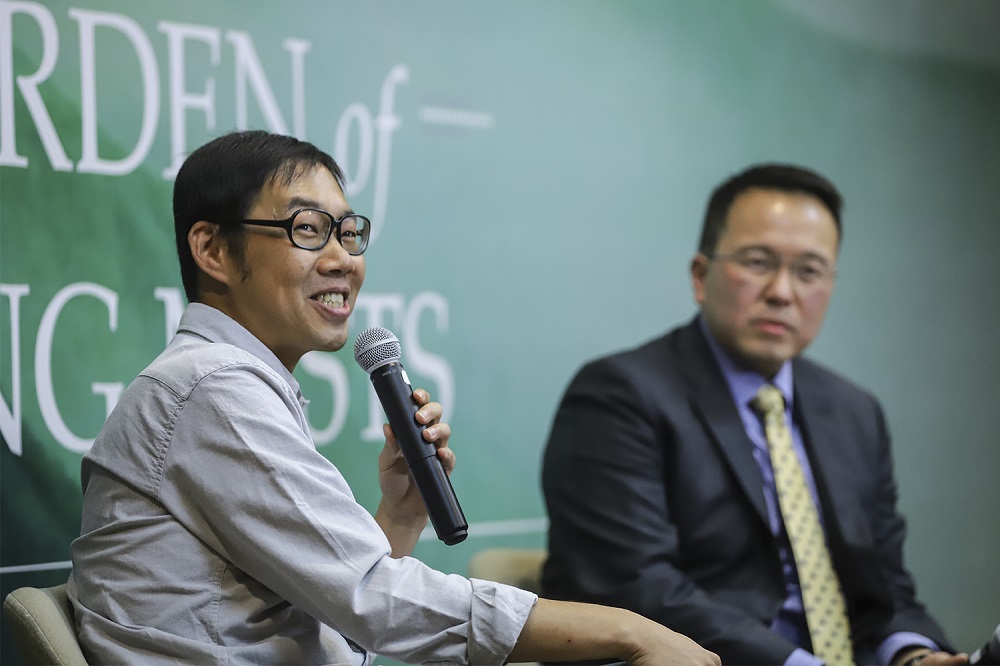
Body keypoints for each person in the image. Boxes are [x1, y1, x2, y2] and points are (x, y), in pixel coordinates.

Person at [66, 130, 718, 666]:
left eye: (349, 233)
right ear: (211, 247)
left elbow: (332, 620)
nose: (343, 259)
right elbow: (374, 602)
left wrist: (400, 515)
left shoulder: (228, 384)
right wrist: (632, 633)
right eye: (307, 230)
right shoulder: (211, 389)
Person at [541, 164, 969, 666]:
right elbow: (637, 587)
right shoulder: (619, 396)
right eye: (758, 262)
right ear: (701, 276)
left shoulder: (855, 412)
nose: (783, 292)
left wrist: (913, 654)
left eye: (809, 271)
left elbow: (885, 586)